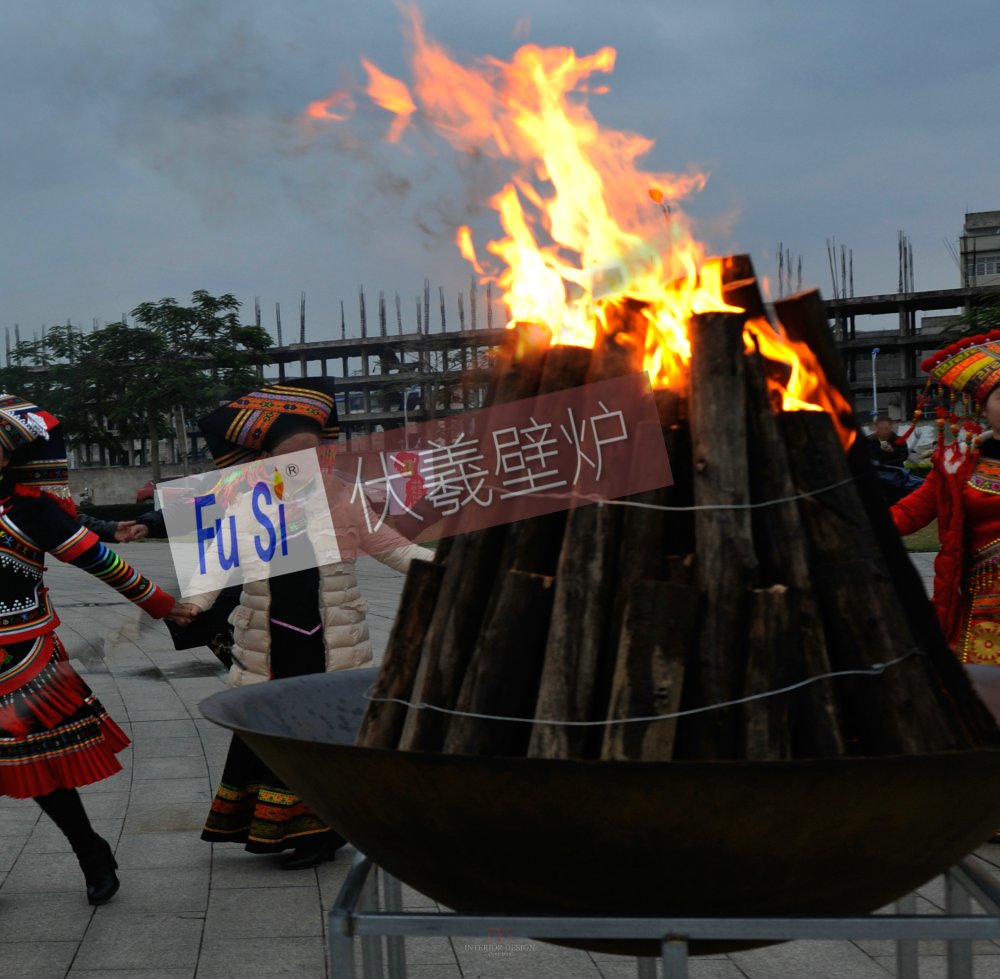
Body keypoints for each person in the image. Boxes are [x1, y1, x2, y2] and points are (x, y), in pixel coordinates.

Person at [187, 379, 434, 869]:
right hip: (269, 638)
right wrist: (193, 605)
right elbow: (218, 559)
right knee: (270, 728)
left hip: (330, 639)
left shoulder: (344, 496)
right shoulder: (247, 500)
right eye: (292, 456)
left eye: (315, 450)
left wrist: (449, 570)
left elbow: (397, 549)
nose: (308, 463)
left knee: (318, 733)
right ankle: (275, 828)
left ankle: (322, 835)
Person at [0, 394, 195, 904]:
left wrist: (163, 606)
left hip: (21, 656)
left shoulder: (27, 508)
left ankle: (90, 849)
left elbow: (101, 563)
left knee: (39, 767)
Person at [891, 331, 1000, 664]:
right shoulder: (957, 464)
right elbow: (909, 514)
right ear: (983, 407)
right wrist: (851, 519)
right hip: (982, 610)